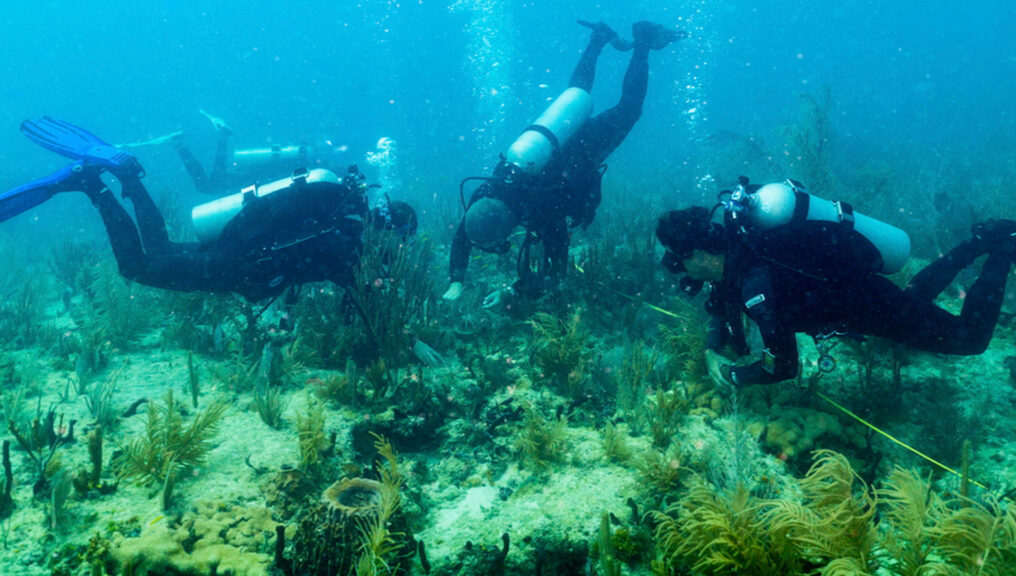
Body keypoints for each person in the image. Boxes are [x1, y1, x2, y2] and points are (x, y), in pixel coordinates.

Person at [0, 117, 440, 365]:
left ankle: (123, 179)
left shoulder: (341, 220)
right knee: (136, 266)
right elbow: (359, 301)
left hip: (240, 244)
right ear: (392, 232)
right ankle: (96, 185)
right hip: (237, 265)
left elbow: (318, 270)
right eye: (399, 246)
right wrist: (408, 342)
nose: (394, 255)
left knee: (163, 249)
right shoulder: (349, 242)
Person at [656, 180, 1016, 389]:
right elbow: (719, 309)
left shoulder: (755, 287)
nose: (682, 271)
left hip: (866, 305)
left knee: (969, 339)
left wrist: (732, 375)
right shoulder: (739, 255)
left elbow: (782, 367)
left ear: (701, 253)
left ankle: (1003, 247)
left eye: (680, 261)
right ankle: (980, 243)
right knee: (912, 298)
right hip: (861, 292)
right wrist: (709, 350)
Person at [443, 20, 683, 308]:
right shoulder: (487, 190)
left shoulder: (542, 210)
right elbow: (466, 233)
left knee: (629, 109)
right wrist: (457, 279)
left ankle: (642, 43)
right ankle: (598, 40)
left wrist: (513, 291)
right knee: (575, 95)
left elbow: (556, 270)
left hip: (584, 150)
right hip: (554, 137)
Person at [173, 110, 329, 196]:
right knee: (209, 184)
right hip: (260, 182)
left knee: (213, 182)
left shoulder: (306, 164)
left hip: (261, 176)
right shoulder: (318, 174)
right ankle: (183, 145)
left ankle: (218, 139)